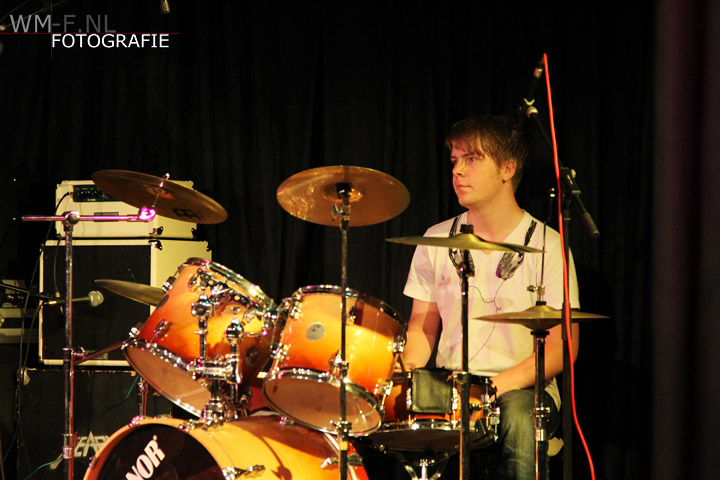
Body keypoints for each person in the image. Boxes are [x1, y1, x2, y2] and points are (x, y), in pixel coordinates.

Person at [401, 114, 580, 479]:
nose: (457, 171)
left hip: (522, 388)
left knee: (518, 415)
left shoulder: (548, 245)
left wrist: (491, 390)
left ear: (507, 169)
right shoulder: (435, 239)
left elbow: (564, 347)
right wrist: (402, 380)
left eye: (472, 159)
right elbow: (422, 329)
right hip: (451, 384)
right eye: (455, 160)